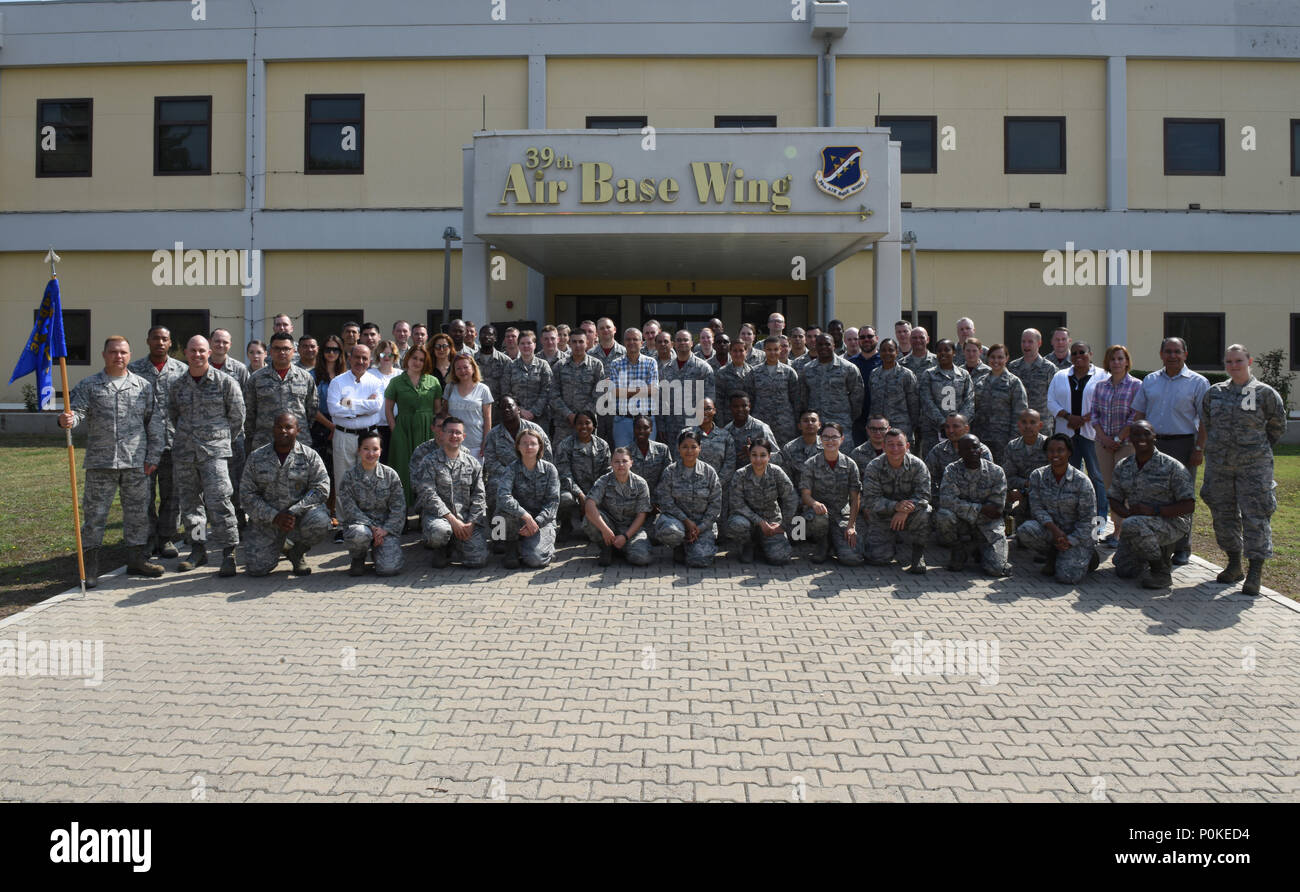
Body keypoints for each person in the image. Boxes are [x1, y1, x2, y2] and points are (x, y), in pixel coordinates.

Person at [59, 335, 166, 585]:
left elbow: (155, 422)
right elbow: (78, 413)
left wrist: (153, 456)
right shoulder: (90, 385)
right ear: (104, 355)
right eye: (114, 352)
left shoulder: (143, 386)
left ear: (129, 355)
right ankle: (91, 568)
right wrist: (67, 420)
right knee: (95, 516)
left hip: (135, 462)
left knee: (138, 514)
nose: (119, 356)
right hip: (101, 462)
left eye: (123, 352)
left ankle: (137, 560)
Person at [1198, 344, 1286, 595]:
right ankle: (1234, 564)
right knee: (1223, 516)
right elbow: (1208, 423)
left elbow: (1277, 426)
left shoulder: (1265, 393)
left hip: (1254, 468)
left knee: (1256, 517)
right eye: (1229, 362)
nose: (1233, 366)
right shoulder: (1214, 393)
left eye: (1238, 361)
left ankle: (1255, 572)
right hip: (1220, 468)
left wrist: (1254, 449)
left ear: (1250, 361)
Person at [169, 335, 245, 577]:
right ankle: (198, 548)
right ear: (186, 353)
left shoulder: (225, 382)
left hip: (214, 455)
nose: (197, 355)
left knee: (220, 502)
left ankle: (228, 552)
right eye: (192, 351)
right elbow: (173, 415)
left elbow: (238, 418)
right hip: (185, 453)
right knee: (191, 505)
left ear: (209, 352)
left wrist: (219, 441)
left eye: (201, 350)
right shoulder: (178, 385)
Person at [1131, 337, 1211, 565]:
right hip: (1152, 445)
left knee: (1182, 496)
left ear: (1185, 354)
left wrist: (1199, 448)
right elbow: (1139, 414)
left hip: (1183, 444)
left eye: (1177, 351)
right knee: (1150, 493)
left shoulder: (1198, 382)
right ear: (1161, 354)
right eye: (1168, 351)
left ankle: (1182, 547)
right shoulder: (1150, 380)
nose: (1172, 355)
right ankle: (1154, 542)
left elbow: (1205, 420)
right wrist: (1136, 443)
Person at [238, 413, 331, 577]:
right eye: (279, 427)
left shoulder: (309, 456)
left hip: (298, 518)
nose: (283, 431)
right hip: (267, 521)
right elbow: (247, 495)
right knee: (257, 568)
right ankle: (284, 545)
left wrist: (294, 511)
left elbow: (322, 487)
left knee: (320, 521)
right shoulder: (256, 457)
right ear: (273, 430)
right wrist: (274, 516)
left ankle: (297, 551)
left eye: (288, 427)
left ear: (298, 430)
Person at [1108, 422, 1195, 589]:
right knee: (1124, 570)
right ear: (1130, 438)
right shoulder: (1124, 466)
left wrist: (1154, 511)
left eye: (1146, 434)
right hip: (1137, 523)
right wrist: (1126, 513)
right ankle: (1152, 554)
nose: (1141, 438)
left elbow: (1188, 505)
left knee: (1133, 525)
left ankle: (1160, 571)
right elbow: (1114, 498)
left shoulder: (1172, 467)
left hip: (1172, 522)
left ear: (1154, 436)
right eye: (1136, 434)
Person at [128, 325, 188, 558]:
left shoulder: (181, 370)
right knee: (144, 495)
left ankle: (166, 538)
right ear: (148, 341)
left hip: (174, 443)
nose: (160, 343)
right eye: (156, 338)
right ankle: (148, 538)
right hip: (142, 445)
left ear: (170, 343)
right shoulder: (134, 370)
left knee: (172, 495)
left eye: (164, 339)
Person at [1016, 434, 1099, 584]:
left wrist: (1071, 540)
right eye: (1051, 451)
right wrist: (1055, 531)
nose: (1055, 455)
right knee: (1026, 531)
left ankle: (1090, 556)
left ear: (1069, 453)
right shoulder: (1038, 476)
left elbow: (1089, 520)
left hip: (1078, 536)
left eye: (1060, 450)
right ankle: (1053, 554)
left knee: (1066, 577)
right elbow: (1037, 508)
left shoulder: (1082, 481)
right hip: (1053, 531)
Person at [416, 416, 490, 569]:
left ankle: (457, 543)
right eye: (450, 432)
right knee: (439, 532)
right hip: (440, 518)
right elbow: (428, 494)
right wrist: (452, 519)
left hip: (465, 519)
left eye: (458, 433)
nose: (454, 436)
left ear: (464, 437)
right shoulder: (429, 461)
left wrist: (471, 523)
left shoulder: (472, 463)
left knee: (478, 560)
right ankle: (442, 548)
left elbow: (479, 495)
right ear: (442, 434)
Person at [1047, 340, 1107, 525]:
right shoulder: (1060, 376)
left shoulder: (1103, 376)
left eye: (1082, 352)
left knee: (1097, 477)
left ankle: (1100, 521)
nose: (1078, 356)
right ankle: (1071, 518)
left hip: (1091, 434)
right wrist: (1068, 417)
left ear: (1090, 354)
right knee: (1068, 477)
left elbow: (1105, 401)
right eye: (1074, 353)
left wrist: (1084, 419)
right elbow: (1051, 401)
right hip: (1067, 435)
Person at [935, 434, 1012, 576]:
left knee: (996, 569)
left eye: (975, 447)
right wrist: (981, 508)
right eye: (967, 449)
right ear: (960, 452)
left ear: (981, 449)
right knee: (944, 516)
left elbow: (996, 510)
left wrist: (963, 506)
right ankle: (959, 550)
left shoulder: (996, 472)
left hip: (989, 525)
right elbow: (946, 501)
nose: (972, 451)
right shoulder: (951, 470)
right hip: (963, 523)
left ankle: (980, 550)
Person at [1089, 344, 1141, 548]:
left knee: (1126, 487)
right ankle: (1116, 530)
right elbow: (1094, 415)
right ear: (1107, 363)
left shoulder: (1136, 385)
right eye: (1113, 359)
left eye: (1121, 358)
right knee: (1111, 488)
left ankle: (1126, 532)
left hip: (1126, 445)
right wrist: (1104, 438)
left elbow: (1134, 416)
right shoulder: (1100, 386)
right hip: (1103, 445)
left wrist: (1118, 439)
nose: (1117, 362)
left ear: (1127, 361)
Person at [859, 429, 931, 573]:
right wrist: (896, 507)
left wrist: (904, 511)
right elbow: (871, 500)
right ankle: (892, 543)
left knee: (925, 510)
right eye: (890, 445)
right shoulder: (874, 466)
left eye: (899, 444)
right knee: (877, 559)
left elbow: (924, 495)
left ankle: (918, 553)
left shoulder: (918, 465)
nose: (895, 449)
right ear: (884, 447)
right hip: (882, 516)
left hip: (910, 514)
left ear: (908, 446)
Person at [338, 431, 406, 577]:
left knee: (389, 570)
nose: (370, 453)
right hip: (361, 526)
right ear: (359, 450)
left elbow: (398, 508)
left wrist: (385, 529)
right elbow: (350, 508)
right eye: (366, 449)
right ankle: (358, 557)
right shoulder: (349, 476)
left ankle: (379, 555)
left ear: (381, 451)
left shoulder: (390, 475)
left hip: (384, 528)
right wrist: (371, 527)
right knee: (360, 534)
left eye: (375, 449)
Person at [655, 429, 724, 567]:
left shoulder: (709, 472)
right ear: (679, 449)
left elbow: (715, 505)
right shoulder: (670, 471)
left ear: (700, 448)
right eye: (685, 447)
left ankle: (692, 546)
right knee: (669, 531)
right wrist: (686, 521)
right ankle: (679, 545)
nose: (689, 451)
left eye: (693, 447)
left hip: (702, 525)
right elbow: (665, 501)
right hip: (678, 522)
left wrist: (700, 527)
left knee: (700, 560)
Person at [385, 344, 442, 509]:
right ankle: (401, 511)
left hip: (427, 430)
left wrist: (437, 432)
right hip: (403, 430)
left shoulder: (434, 381)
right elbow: (388, 409)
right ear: (407, 358)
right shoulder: (396, 382)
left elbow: (437, 410)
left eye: (421, 360)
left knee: (427, 470)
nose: (417, 362)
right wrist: (394, 429)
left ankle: (427, 510)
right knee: (403, 469)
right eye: (414, 358)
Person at [799, 422, 864, 565]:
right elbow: (805, 495)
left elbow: (855, 499)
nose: (830, 441)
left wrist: (851, 526)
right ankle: (823, 544)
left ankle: (836, 541)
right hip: (818, 513)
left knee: (852, 559)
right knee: (819, 517)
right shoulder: (811, 464)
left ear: (842, 439)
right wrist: (814, 503)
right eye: (826, 437)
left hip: (841, 515)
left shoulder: (850, 464)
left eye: (834, 437)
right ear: (820, 439)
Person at [725, 438, 797, 565]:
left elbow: (791, 498)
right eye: (754, 455)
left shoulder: (776, 472)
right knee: (736, 524)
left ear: (769, 456)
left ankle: (763, 545)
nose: (758, 460)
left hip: (771, 522)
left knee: (780, 558)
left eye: (763, 455)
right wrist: (759, 521)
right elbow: (737, 503)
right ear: (749, 456)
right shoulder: (740, 474)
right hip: (747, 521)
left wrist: (783, 526)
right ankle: (747, 545)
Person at [496, 429, 561, 569]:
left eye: (533, 443)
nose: (529, 447)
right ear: (518, 446)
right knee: (501, 512)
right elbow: (503, 496)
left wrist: (536, 522)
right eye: (524, 443)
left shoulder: (550, 470)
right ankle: (511, 547)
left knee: (535, 560)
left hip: (542, 521)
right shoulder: (511, 469)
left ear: (540, 447)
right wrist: (525, 516)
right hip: (518, 519)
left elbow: (553, 503)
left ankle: (536, 547)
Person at [244, 331, 319, 452]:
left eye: (286, 348)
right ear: (270, 352)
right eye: (277, 349)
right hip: (265, 441)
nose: (282, 352)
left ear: (293, 351)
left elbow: (312, 409)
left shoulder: (305, 377)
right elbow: (249, 412)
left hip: (299, 441)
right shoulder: (256, 378)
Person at [326, 343, 386, 485]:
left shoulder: (376, 382)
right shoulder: (337, 382)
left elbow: (376, 406)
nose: (360, 362)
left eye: (364, 358)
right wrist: (365, 405)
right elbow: (334, 410)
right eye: (357, 357)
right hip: (344, 436)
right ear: (349, 358)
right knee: (343, 481)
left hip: (370, 436)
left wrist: (347, 403)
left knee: (370, 480)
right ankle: (343, 509)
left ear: (370, 360)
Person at [583, 447, 653, 566]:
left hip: (632, 530)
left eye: (624, 461)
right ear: (611, 463)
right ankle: (607, 547)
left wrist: (625, 537)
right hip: (611, 527)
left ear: (631, 462)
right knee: (589, 519)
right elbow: (589, 505)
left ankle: (622, 548)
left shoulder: (640, 484)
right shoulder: (604, 481)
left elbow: (641, 515)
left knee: (641, 558)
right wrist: (605, 530)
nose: (620, 464)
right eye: (616, 461)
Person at [483, 396, 552, 515]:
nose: (506, 410)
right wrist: (511, 474)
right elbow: (491, 463)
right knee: (494, 485)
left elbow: (546, 457)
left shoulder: (534, 430)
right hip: (504, 476)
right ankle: (498, 523)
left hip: (533, 475)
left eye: (510, 406)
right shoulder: (493, 435)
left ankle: (541, 519)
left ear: (518, 409)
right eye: (502, 408)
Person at [800, 334, 865, 451]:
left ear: (834, 346)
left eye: (827, 344)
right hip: (815, 427)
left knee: (843, 460)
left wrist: (847, 416)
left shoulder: (848, 368)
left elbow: (857, 398)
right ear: (815, 346)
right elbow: (803, 398)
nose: (824, 347)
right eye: (820, 344)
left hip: (841, 424)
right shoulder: (807, 369)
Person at [555, 410, 612, 539]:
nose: (584, 426)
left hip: (596, 491)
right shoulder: (565, 445)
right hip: (573, 492)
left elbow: (606, 474)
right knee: (565, 499)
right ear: (574, 426)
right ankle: (566, 525)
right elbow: (565, 475)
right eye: (580, 423)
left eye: (587, 423)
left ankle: (601, 523)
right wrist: (581, 495)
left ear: (594, 425)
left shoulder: (602, 445)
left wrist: (593, 496)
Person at [658, 329, 715, 455]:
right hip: (671, 425)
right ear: (673, 344)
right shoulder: (665, 370)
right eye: (678, 340)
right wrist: (661, 424)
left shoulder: (703, 368)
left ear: (692, 343)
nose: (682, 343)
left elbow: (710, 399)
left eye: (685, 340)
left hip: (695, 425)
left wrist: (705, 424)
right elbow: (662, 400)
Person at [971, 343, 1027, 466]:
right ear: (988, 359)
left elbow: (1020, 414)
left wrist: (1013, 442)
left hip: (1004, 441)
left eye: (1000, 357)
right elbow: (973, 410)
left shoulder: (1014, 383)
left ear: (1007, 358)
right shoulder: (979, 382)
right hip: (981, 439)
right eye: (993, 357)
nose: (996, 361)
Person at [917, 338, 975, 458]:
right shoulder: (928, 374)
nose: (942, 353)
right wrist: (944, 424)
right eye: (939, 350)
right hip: (933, 431)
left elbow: (969, 401)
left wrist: (958, 425)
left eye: (947, 350)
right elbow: (926, 401)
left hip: (959, 432)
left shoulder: (964, 375)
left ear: (954, 352)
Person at [605, 328, 659, 448]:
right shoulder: (616, 364)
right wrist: (642, 389)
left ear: (642, 342)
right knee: (622, 460)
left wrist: (626, 391)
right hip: (623, 421)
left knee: (647, 459)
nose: (632, 342)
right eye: (628, 339)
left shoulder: (651, 363)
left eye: (635, 339)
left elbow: (654, 390)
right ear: (624, 342)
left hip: (646, 420)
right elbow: (614, 392)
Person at [926, 413, 993, 501]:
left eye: (955, 426)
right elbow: (927, 479)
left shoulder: (981, 450)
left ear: (966, 428)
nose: (950, 431)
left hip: (976, 502)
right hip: (947, 501)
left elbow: (989, 480)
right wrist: (938, 499)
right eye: (947, 427)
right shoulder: (938, 450)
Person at [1003, 409, 1049, 532]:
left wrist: (1024, 490)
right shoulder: (1012, 447)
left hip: (1044, 495)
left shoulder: (1049, 446)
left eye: (1032, 422)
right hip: (1021, 494)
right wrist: (1024, 486)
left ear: (1040, 425)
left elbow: (1051, 479)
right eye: (1024, 422)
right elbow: (1008, 477)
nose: (1028, 426)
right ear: (1019, 425)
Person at [552, 328, 604, 439]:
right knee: (562, 455)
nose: (577, 345)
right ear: (569, 343)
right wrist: (569, 415)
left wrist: (582, 417)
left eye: (581, 342)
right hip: (564, 423)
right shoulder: (559, 366)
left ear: (587, 343)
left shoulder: (596, 365)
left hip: (587, 424)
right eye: (574, 342)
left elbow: (599, 394)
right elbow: (553, 395)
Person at [751, 336, 800, 446]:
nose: (772, 353)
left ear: (780, 350)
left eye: (775, 349)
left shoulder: (789, 372)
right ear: (764, 350)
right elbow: (750, 398)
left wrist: (797, 423)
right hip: (761, 422)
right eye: (769, 349)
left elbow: (796, 401)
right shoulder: (754, 372)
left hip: (785, 425)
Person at [868, 338, 919, 441]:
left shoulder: (906, 375)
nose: (887, 353)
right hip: (878, 430)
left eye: (890, 350)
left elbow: (914, 405)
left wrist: (911, 427)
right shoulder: (874, 374)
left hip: (901, 428)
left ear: (897, 352)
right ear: (879, 352)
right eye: (883, 350)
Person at [504, 330, 555, 433]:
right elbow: (506, 391)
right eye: (522, 343)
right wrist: (520, 410)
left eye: (529, 343)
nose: (526, 346)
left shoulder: (543, 365)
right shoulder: (510, 366)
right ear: (518, 345)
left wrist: (533, 412)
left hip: (540, 419)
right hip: (516, 418)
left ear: (535, 345)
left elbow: (547, 390)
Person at [447, 353, 493, 458]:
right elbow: (445, 414)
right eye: (458, 368)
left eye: (465, 367)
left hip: (476, 445)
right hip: (453, 443)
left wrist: (485, 443)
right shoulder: (449, 388)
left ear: (473, 368)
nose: (462, 371)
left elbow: (487, 419)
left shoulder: (483, 389)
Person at [1008, 328, 1059, 421]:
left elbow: (1055, 398)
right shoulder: (1013, 367)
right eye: (1023, 341)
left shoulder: (1049, 368)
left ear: (1039, 343)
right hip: (1019, 423)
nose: (1026, 345)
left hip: (1042, 424)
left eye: (1030, 342)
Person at [723, 393, 780, 472]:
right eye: (736, 406)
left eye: (744, 406)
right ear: (730, 408)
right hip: (736, 478)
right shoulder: (726, 431)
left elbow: (778, 458)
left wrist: (755, 453)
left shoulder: (761, 428)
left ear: (749, 406)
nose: (740, 409)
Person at [848, 325, 882, 446]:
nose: (866, 339)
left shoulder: (886, 361)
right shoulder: (850, 363)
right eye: (862, 337)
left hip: (880, 422)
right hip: (857, 421)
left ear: (877, 338)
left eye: (870, 336)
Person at [714, 340, 756, 429]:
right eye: (735, 351)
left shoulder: (753, 372)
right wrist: (721, 425)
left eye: (741, 350)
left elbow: (755, 398)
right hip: (729, 421)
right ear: (730, 352)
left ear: (746, 352)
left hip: (749, 422)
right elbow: (718, 401)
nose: (738, 354)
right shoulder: (722, 372)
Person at [781, 408, 823, 493]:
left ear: (819, 425)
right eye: (806, 421)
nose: (810, 423)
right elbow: (786, 480)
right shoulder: (789, 448)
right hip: (798, 497)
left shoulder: (828, 446)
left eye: (813, 420)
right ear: (799, 426)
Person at [629, 413, 671, 496]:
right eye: (638, 428)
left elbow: (668, 477)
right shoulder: (626, 452)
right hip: (634, 499)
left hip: (659, 498)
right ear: (633, 429)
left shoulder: (662, 450)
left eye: (645, 428)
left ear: (651, 429)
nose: (641, 431)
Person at [473, 324, 512, 402]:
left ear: (495, 338)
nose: (486, 337)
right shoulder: (471, 360)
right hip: (476, 405)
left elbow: (507, 389)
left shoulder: (505, 361)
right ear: (479, 337)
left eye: (490, 334)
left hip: (497, 406)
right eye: (483, 334)